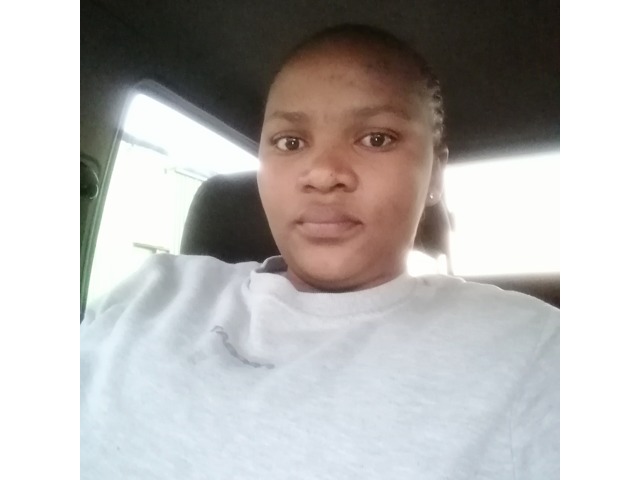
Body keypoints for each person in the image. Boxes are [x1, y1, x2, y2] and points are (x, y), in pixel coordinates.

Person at [81, 24, 559, 480]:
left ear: (434, 173)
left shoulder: (532, 349)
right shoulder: (150, 293)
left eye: (376, 138)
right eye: (290, 142)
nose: (324, 173)